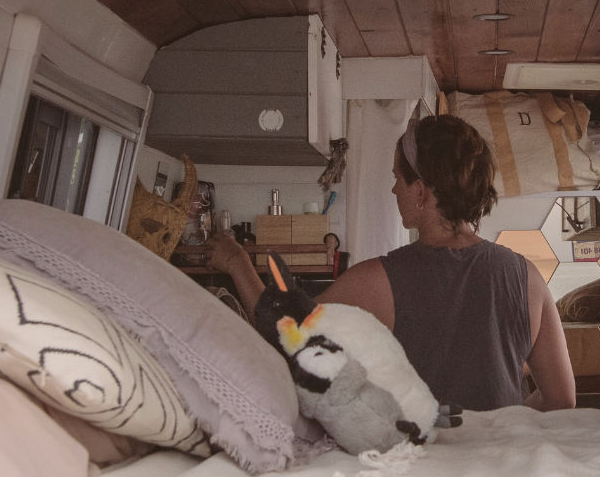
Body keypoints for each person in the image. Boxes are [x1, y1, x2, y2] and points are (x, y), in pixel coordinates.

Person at [212, 114, 576, 412]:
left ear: (420, 192)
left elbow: (282, 336)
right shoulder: (527, 277)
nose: (393, 190)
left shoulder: (379, 280)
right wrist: (504, 425)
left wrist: (236, 261)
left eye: (397, 179)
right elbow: (562, 401)